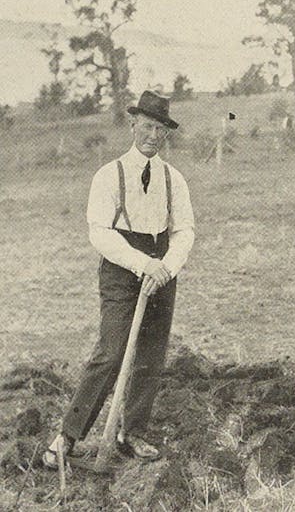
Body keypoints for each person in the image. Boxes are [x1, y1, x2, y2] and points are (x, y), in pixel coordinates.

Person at [44, 91, 195, 466]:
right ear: (133, 125)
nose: (153, 135)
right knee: (111, 352)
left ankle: (134, 432)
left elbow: (185, 231)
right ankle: (68, 436)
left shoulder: (173, 179)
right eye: (147, 126)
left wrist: (166, 268)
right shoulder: (109, 175)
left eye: (161, 129)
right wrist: (143, 264)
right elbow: (100, 232)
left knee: (151, 355)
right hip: (121, 268)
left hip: (162, 271)